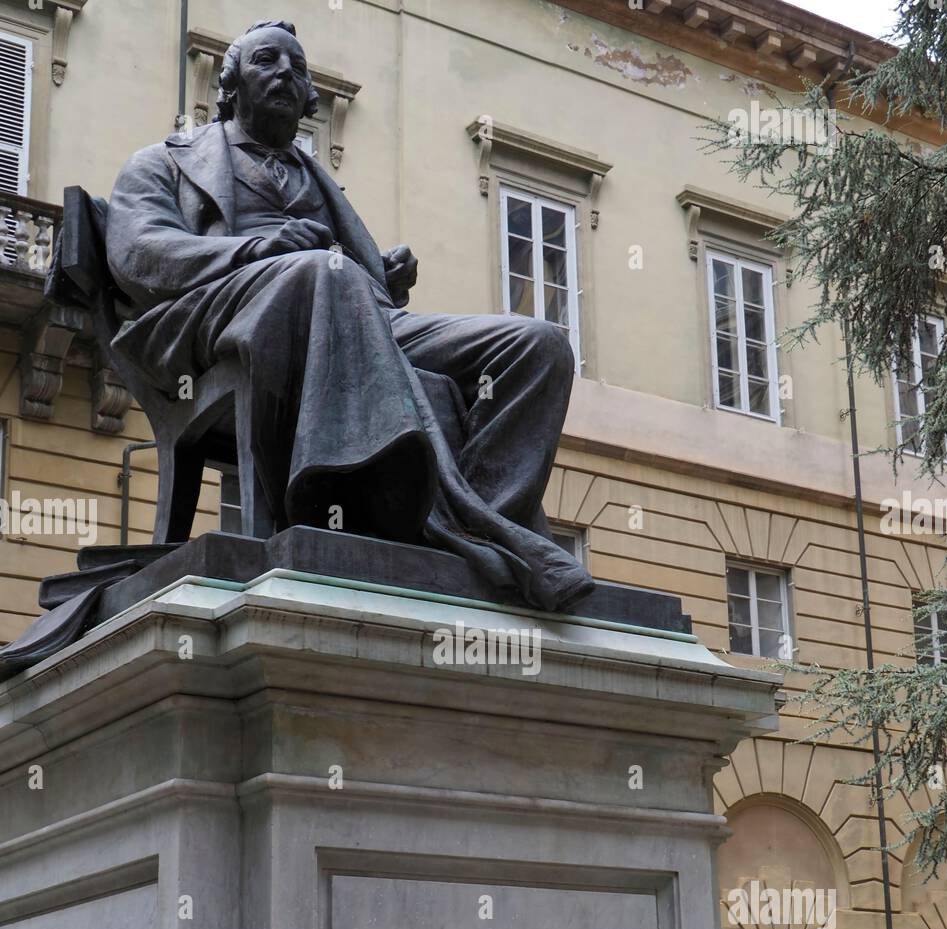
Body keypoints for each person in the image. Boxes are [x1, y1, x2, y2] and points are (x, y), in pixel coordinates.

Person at [105, 19, 593, 612]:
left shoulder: (317, 179)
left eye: (298, 68)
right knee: (322, 272)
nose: (286, 72)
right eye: (267, 61)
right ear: (229, 84)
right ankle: (405, 509)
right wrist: (258, 248)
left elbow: (347, 278)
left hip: (353, 313)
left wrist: (382, 273)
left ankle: (484, 522)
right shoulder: (164, 162)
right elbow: (140, 252)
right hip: (220, 315)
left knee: (538, 345)